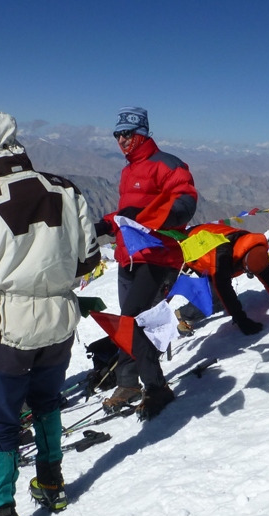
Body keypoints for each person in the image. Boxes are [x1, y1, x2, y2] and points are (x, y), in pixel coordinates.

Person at [0, 112, 99, 516]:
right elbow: (89, 260)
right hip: (60, 323)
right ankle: (51, 485)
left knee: (0, 424)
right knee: (48, 404)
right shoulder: (66, 189)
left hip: (10, 331)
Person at [94, 106, 198, 420]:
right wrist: (104, 226)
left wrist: (157, 217)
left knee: (132, 321)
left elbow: (186, 200)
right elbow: (128, 214)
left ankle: (156, 387)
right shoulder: (128, 171)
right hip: (128, 257)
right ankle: (128, 383)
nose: (122, 140)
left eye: (129, 133)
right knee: (129, 323)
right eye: (118, 134)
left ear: (143, 133)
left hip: (158, 256)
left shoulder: (166, 164)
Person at [182, 223, 269, 335]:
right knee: (214, 295)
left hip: (209, 243)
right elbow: (223, 287)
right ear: (243, 263)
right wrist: (240, 318)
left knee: (221, 301)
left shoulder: (254, 248)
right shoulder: (222, 254)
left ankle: (192, 311)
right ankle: (183, 315)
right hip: (191, 248)